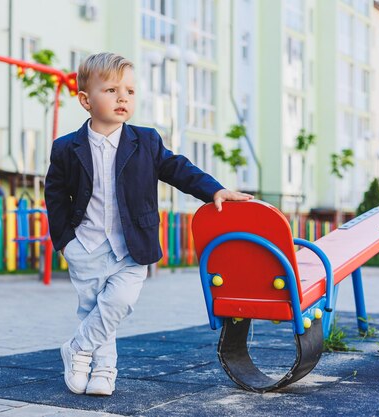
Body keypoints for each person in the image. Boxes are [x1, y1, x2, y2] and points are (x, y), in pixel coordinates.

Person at [44, 53, 253, 396]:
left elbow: (179, 169)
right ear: (85, 100)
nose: (122, 97)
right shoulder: (66, 148)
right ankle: (103, 371)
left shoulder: (146, 141)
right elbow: (55, 196)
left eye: (129, 90)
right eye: (111, 90)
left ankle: (77, 348)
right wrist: (66, 241)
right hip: (86, 244)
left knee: (119, 303)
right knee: (95, 310)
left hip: (132, 246)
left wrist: (213, 189)